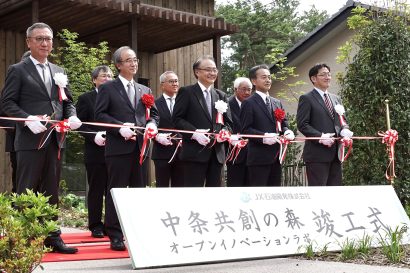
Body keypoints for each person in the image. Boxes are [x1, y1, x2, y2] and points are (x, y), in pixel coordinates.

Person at [1, 22, 81, 254]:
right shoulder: (18, 69)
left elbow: (67, 101)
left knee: (51, 189)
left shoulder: (59, 71)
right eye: (39, 39)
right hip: (29, 140)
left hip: (55, 140)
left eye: (48, 39)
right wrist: (26, 119)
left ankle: (52, 237)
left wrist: (73, 116)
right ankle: (23, 238)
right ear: (29, 42)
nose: (45, 43)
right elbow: (7, 103)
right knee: (26, 188)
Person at [95, 46, 159, 251]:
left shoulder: (145, 90)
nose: (134, 63)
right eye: (128, 60)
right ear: (118, 65)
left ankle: (137, 231)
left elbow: (154, 115)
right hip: (118, 148)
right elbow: (100, 115)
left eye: (135, 60)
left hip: (141, 148)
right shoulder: (107, 88)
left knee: (139, 192)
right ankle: (114, 234)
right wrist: (118, 128)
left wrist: (152, 125)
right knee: (117, 191)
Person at [173, 55, 233, 187]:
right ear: (197, 72)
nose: (212, 73)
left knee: (214, 194)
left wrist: (225, 132)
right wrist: (194, 133)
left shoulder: (220, 95)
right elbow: (177, 119)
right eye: (208, 69)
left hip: (216, 154)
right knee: (194, 193)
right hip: (194, 154)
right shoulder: (187, 92)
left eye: (214, 70)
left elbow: (229, 123)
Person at [296, 63, 353, 186]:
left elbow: (342, 120)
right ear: (313, 78)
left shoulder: (336, 98)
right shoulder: (306, 98)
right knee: (319, 192)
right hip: (317, 155)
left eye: (329, 74)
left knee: (334, 192)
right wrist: (320, 137)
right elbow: (302, 124)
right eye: (323, 75)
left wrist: (345, 129)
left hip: (336, 154)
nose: (327, 77)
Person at [240, 64, 295, 186]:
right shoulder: (248, 103)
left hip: (277, 157)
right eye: (264, 77)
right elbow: (245, 129)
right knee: (259, 195)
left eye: (269, 77)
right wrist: (264, 136)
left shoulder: (277, 102)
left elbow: (283, 123)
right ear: (254, 81)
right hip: (258, 159)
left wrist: (287, 131)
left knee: (274, 194)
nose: (268, 80)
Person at [76, 65, 113, 238]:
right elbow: (79, 124)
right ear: (94, 80)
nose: (108, 78)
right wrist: (94, 135)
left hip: (116, 151)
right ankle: (95, 225)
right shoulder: (86, 98)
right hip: (95, 151)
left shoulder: (117, 97)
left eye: (110, 76)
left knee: (112, 190)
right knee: (97, 189)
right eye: (104, 76)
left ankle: (112, 224)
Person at [0, 51, 31, 193]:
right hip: (16, 140)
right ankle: (18, 206)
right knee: (19, 175)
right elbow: (3, 115)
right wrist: (21, 127)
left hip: (42, 138)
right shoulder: (11, 87)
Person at [151, 71, 184, 187]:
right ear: (162, 85)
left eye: (176, 81)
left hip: (182, 153)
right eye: (171, 81)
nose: (175, 84)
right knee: (162, 187)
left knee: (180, 188)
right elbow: (150, 125)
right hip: (161, 153)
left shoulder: (184, 103)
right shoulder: (154, 104)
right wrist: (157, 137)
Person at [226, 77, 252, 187]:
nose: (247, 92)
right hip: (234, 152)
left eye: (249, 89)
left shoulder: (253, 103)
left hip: (252, 153)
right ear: (235, 89)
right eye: (243, 89)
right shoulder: (227, 104)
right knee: (235, 185)